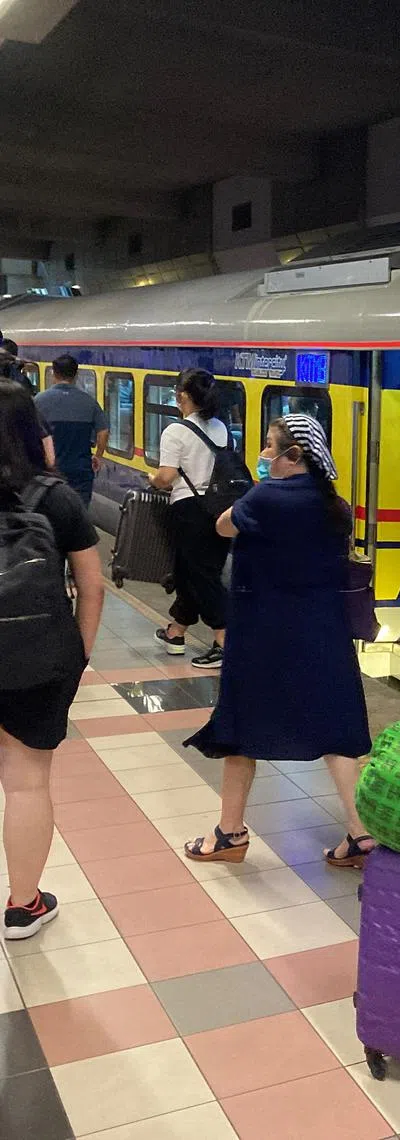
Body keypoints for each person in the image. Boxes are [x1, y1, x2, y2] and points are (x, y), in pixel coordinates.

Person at [181, 414, 376, 867]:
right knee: (336, 728)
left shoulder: (269, 495)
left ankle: (229, 834)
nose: (264, 454)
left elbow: (223, 525)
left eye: (270, 446)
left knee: (241, 723)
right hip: (324, 630)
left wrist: (256, 489)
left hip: (263, 632)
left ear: (294, 455)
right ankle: (361, 835)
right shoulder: (334, 503)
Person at [0, 380, 104, 939]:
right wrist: (77, 656)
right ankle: (23, 905)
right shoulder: (55, 497)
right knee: (25, 784)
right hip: (38, 662)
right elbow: (92, 587)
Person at [149, 368, 230, 669]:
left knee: (202, 575)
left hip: (189, 510)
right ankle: (177, 631)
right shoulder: (221, 428)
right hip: (219, 508)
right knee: (188, 571)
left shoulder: (175, 431)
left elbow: (166, 477)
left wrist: (153, 478)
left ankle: (224, 639)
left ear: (183, 396)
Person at [34, 354, 109, 507]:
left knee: (51, 514)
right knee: (79, 513)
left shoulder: (39, 400)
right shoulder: (89, 402)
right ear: (76, 375)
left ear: (53, 373)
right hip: (80, 470)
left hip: (50, 471)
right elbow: (103, 432)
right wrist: (98, 456)